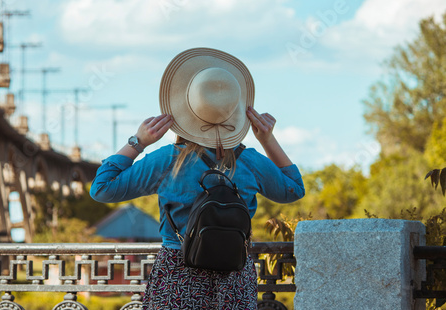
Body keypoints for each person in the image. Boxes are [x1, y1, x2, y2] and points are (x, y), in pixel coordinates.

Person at [90, 47, 305, 310]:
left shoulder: (168, 160)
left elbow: (102, 188)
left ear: (185, 110)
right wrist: (268, 139)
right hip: (234, 275)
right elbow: (294, 189)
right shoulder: (249, 161)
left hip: (178, 272)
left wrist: (138, 142)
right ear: (234, 113)